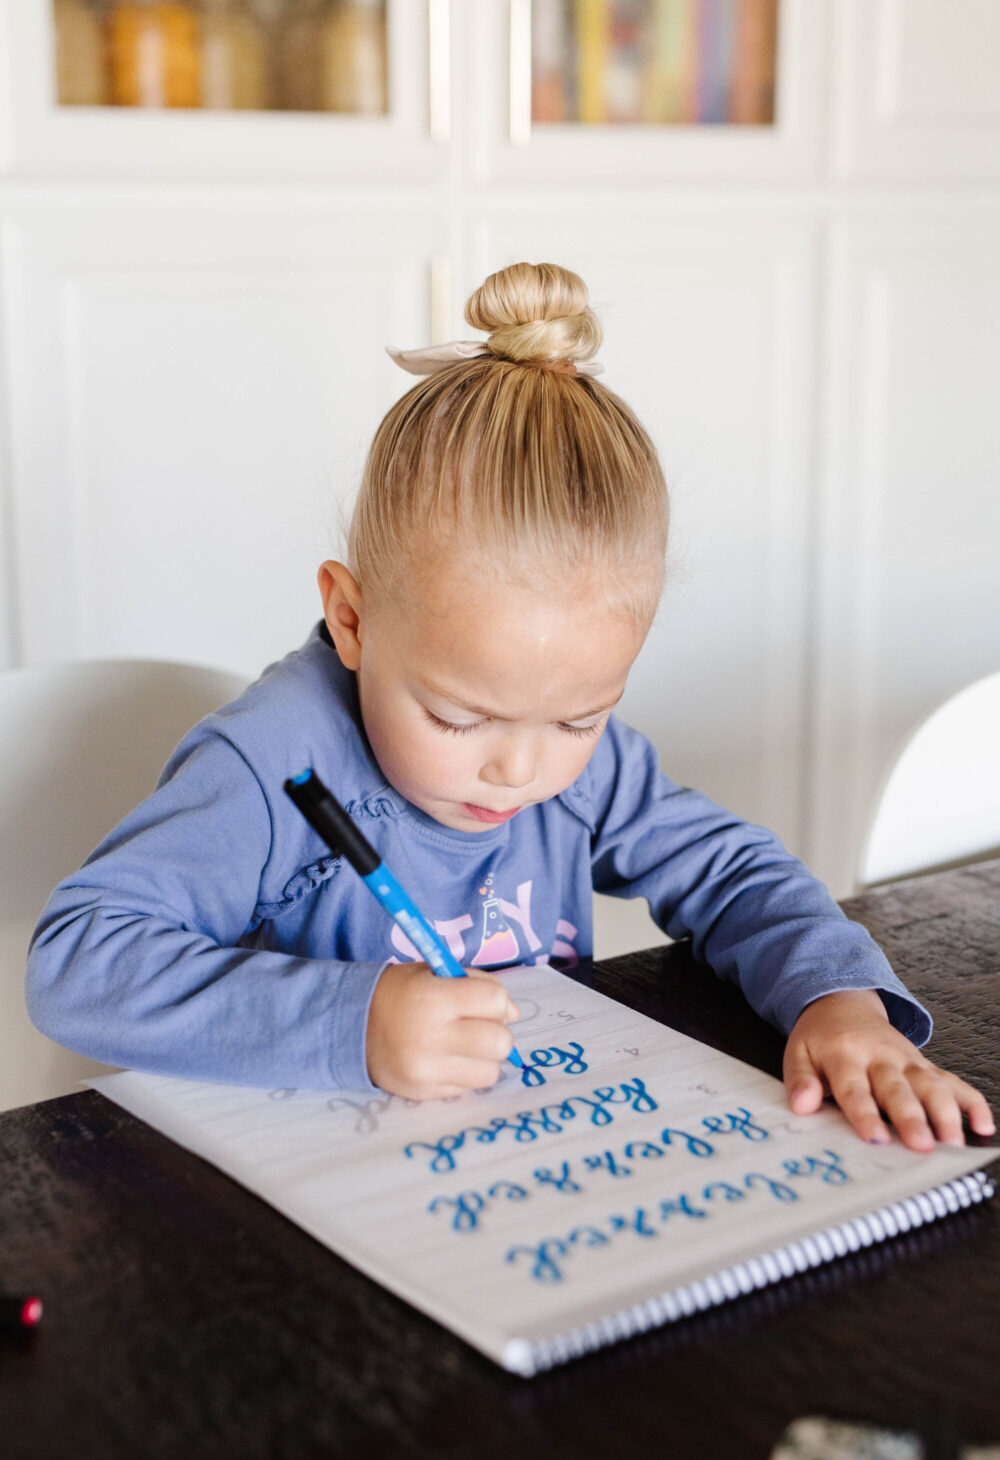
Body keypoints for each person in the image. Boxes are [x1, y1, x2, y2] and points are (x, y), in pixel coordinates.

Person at [26, 261, 993, 1154]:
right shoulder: (275, 762)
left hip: (517, 1163)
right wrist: (351, 1023)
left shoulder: (585, 768)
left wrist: (839, 999)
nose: (521, 773)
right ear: (351, 619)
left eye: (579, 719)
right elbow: (77, 964)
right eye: (458, 718)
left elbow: (735, 875)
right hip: (305, 1197)